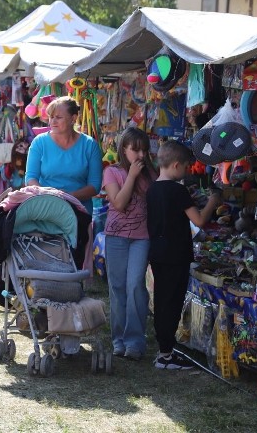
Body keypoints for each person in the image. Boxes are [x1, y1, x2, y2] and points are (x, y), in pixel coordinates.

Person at [146, 141, 220, 370]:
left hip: (157, 252)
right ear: (176, 165)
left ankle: (164, 349)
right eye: (187, 167)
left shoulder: (152, 188)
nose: (188, 171)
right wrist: (213, 202)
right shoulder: (178, 191)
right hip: (175, 254)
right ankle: (166, 355)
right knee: (173, 301)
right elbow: (198, 220)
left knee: (162, 300)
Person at [25, 95, 102, 268]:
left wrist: (69, 197)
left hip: (79, 212)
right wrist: (48, 196)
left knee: (75, 261)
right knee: (48, 260)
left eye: (58, 117)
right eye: (51, 116)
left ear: (73, 118)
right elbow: (30, 178)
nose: (53, 120)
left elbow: (95, 186)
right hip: (46, 210)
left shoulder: (89, 145)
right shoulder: (39, 143)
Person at [101, 128, 157, 360]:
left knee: (135, 285)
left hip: (142, 237)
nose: (140, 154)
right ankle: (118, 339)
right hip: (116, 236)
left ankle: (135, 340)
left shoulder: (152, 175)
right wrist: (132, 176)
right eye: (135, 149)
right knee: (117, 287)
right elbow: (120, 203)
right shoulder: (112, 172)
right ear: (124, 149)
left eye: (144, 149)